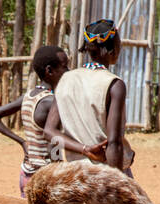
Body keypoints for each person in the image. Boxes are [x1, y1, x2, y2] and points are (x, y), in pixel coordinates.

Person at [0, 45, 87, 195]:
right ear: (49, 71)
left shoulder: (29, 96)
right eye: (65, 67)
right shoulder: (52, 102)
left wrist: (22, 142)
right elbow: (54, 146)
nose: (68, 71)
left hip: (26, 172)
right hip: (46, 178)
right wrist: (60, 171)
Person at [44, 18, 133, 174]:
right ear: (112, 49)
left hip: (76, 175)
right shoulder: (114, 84)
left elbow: (50, 132)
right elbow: (113, 144)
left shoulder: (65, 79)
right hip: (106, 174)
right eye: (119, 44)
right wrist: (116, 184)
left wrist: (85, 150)